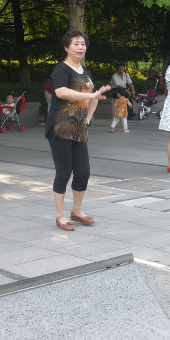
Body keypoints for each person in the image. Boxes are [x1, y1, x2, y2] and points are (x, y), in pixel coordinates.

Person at [46, 30, 111, 231]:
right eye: (76, 44)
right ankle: (61, 215)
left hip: (79, 129)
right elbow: (61, 92)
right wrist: (90, 96)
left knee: (83, 172)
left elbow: (93, 96)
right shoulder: (61, 69)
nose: (80, 47)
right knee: (64, 171)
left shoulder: (86, 72)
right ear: (66, 47)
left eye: (83, 44)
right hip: (61, 127)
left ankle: (77, 211)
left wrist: (89, 117)